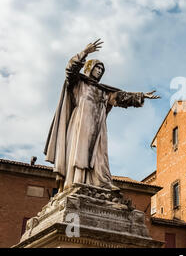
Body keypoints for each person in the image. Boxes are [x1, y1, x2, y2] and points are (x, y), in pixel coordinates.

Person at [44, 39, 160, 192]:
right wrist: (85, 52)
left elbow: (121, 97)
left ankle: (100, 183)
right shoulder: (78, 83)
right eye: (97, 68)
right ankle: (77, 181)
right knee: (81, 151)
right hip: (81, 122)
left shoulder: (103, 91)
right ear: (89, 68)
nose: (99, 71)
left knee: (100, 155)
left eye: (101, 70)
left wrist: (141, 96)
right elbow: (70, 70)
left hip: (99, 126)